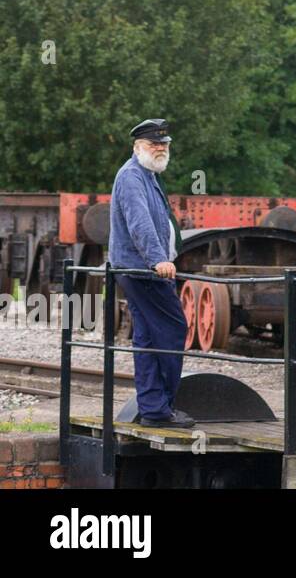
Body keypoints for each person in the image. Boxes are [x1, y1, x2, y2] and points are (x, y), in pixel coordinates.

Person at [107, 118, 194, 428]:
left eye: (164, 144)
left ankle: (154, 408)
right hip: (144, 271)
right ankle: (160, 408)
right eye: (153, 144)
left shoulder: (149, 175)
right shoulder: (132, 177)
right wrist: (158, 260)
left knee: (146, 338)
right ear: (137, 147)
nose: (160, 148)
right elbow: (139, 222)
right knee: (172, 329)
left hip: (143, 271)